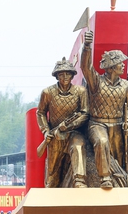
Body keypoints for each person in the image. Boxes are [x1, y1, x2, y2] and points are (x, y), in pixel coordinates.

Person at [82, 31, 128, 189]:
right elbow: (85, 67)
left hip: (118, 125)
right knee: (101, 142)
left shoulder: (127, 86)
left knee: (117, 158)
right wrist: (87, 46)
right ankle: (105, 178)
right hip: (97, 124)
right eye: (120, 62)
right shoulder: (96, 82)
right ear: (111, 67)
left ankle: (123, 181)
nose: (123, 65)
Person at [37, 58, 90, 188]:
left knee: (78, 147)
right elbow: (41, 113)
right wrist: (45, 131)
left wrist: (69, 126)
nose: (65, 77)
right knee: (52, 171)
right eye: (61, 74)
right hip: (55, 134)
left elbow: (85, 114)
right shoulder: (47, 92)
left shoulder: (81, 92)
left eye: (67, 74)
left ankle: (79, 181)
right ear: (56, 76)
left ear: (72, 75)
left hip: (74, 132)